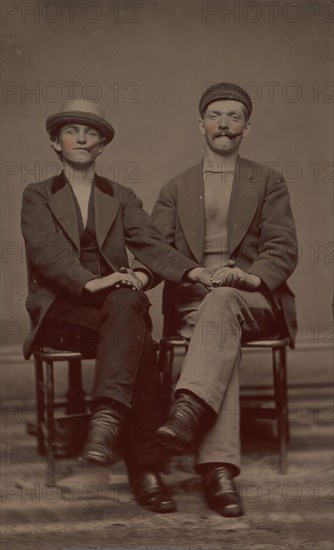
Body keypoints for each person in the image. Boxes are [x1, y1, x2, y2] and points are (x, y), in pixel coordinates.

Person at [20, 99, 217, 513]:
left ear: (102, 146)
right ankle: (144, 466)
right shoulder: (38, 195)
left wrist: (193, 272)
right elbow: (47, 254)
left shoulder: (120, 195)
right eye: (72, 131)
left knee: (129, 307)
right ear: (56, 143)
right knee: (135, 327)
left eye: (92, 133)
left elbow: (152, 246)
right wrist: (97, 281)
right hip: (61, 313)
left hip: (115, 311)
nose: (82, 138)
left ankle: (107, 419)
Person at [151, 82, 298, 517]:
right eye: (216, 116)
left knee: (221, 308)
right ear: (201, 124)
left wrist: (248, 278)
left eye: (235, 117)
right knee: (216, 329)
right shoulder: (176, 188)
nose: (225, 124)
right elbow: (155, 249)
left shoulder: (268, 181)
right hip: (193, 302)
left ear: (247, 128)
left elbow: (284, 248)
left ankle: (187, 409)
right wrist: (195, 273)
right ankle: (217, 471)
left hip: (252, 301)